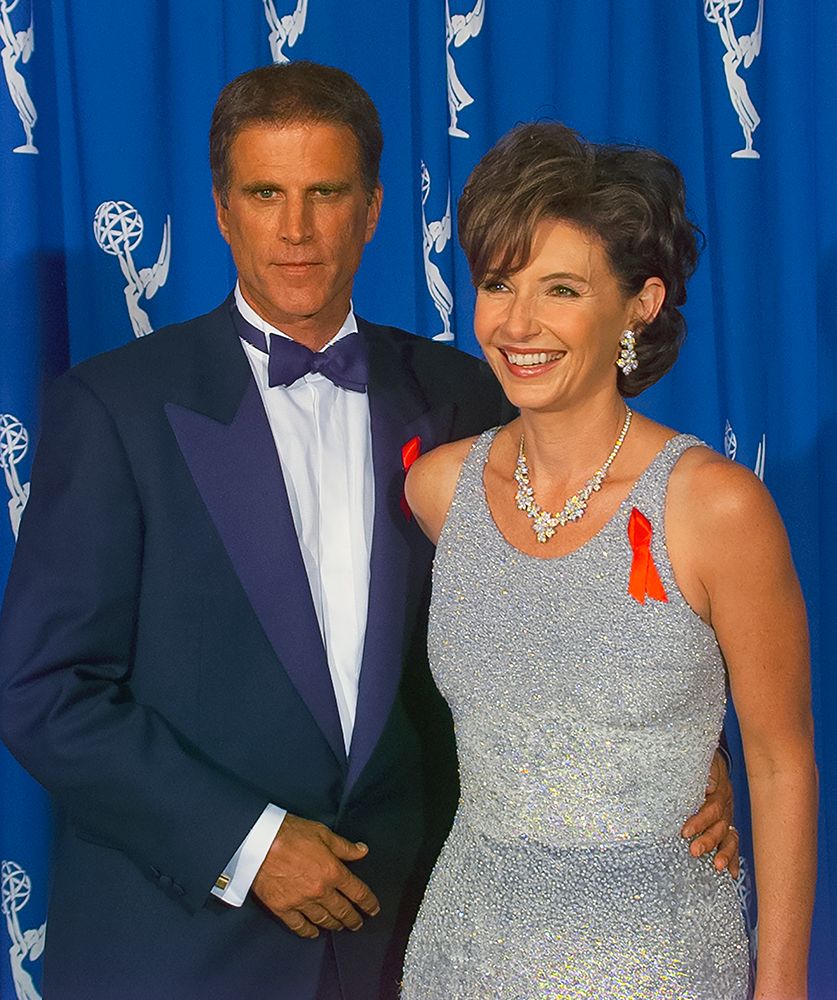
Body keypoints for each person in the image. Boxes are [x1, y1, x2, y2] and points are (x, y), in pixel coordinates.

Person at [0, 66, 738, 1000]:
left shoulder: (469, 397)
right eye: (265, 194)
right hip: (180, 944)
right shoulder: (115, 408)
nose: (296, 230)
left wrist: (680, 755)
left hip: (414, 938)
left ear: (374, 207)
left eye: (326, 193)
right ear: (223, 211)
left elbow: (579, 612)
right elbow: (43, 687)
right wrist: (250, 845)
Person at [402, 123, 817, 999]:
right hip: (463, 955)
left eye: (561, 289)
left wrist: (779, 988)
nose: (518, 324)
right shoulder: (438, 490)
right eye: (497, 284)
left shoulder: (714, 507)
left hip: (657, 963)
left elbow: (781, 764)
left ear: (639, 302)